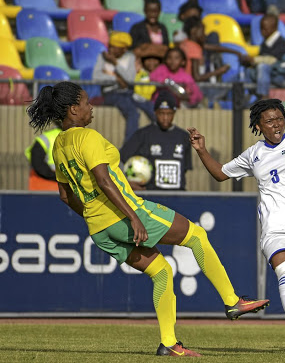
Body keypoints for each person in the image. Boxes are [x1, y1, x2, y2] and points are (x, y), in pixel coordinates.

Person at [26, 82, 270, 356]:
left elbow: (64, 195)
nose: (90, 106)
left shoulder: (59, 144)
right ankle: (232, 300)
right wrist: (133, 218)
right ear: (73, 109)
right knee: (197, 235)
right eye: (85, 102)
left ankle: (169, 343)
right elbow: (104, 181)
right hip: (126, 213)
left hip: (99, 229)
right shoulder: (88, 137)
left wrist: (95, 217)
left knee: (162, 272)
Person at [188, 98, 285, 355]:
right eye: (269, 121)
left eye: (279, 119)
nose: (276, 125)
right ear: (258, 126)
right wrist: (201, 149)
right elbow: (221, 174)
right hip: (275, 226)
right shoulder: (254, 154)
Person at [120, 91, 191, 191]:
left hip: (178, 196)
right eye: (161, 113)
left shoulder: (183, 137)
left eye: (169, 114)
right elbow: (119, 160)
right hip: (151, 197)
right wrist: (127, 182)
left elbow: (184, 169)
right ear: (155, 112)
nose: (165, 118)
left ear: (174, 113)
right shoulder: (142, 135)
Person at [92, 31, 156, 142]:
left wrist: (115, 64)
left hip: (129, 92)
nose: (110, 49)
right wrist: (116, 79)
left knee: (150, 107)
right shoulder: (102, 57)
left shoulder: (130, 58)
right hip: (112, 93)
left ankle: (159, 136)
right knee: (133, 113)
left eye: (114, 47)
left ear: (124, 49)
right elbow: (96, 77)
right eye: (110, 46)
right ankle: (129, 145)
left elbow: (130, 79)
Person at [244, 14, 285, 100]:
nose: (262, 31)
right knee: (248, 71)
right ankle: (251, 96)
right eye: (261, 28)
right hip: (271, 75)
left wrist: (253, 59)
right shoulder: (264, 43)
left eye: (265, 29)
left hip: (283, 77)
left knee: (262, 67)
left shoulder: (281, 43)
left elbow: (272, 60)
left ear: (274, 28)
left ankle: (264, 97)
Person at [24, 123, 62, 190]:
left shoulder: (46, 137)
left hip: (42, 188)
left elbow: (37, 163)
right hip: (52, 186)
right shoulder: (77, 138)